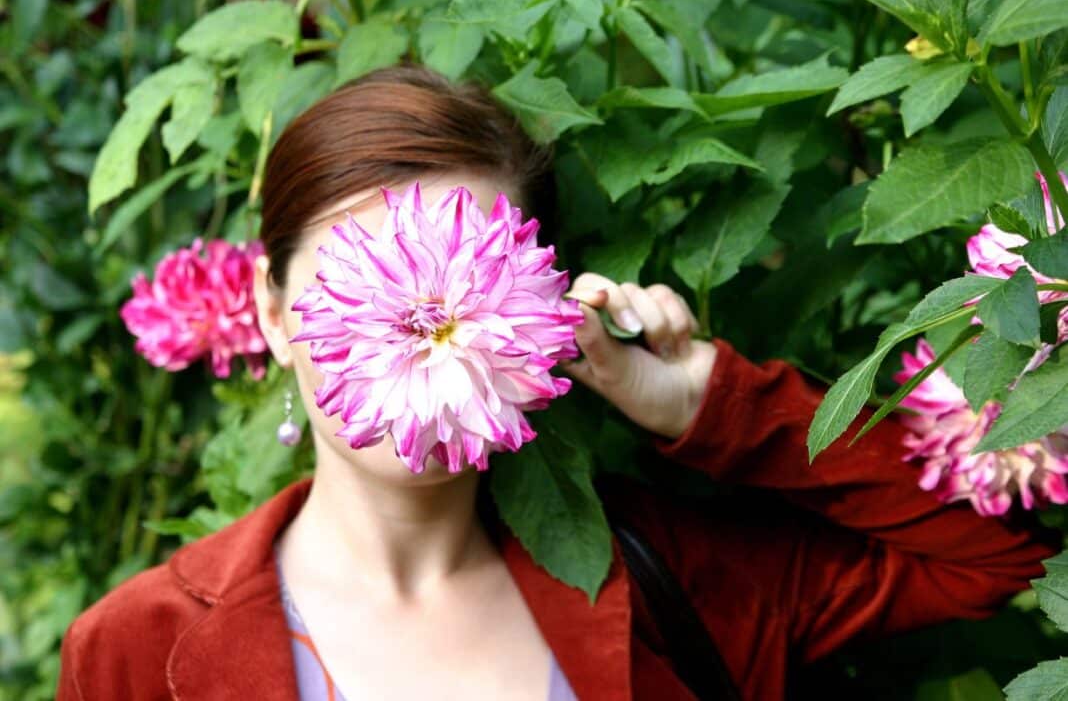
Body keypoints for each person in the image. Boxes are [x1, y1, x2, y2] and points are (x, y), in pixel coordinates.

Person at [57, 65, 1059, 701]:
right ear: (275, 314)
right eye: (361, 276)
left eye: (470, 271)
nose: (424, 323)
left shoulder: (677, 582)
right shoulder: (132, 653)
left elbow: (998, 556)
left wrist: (709, 405)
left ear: (539, 303)